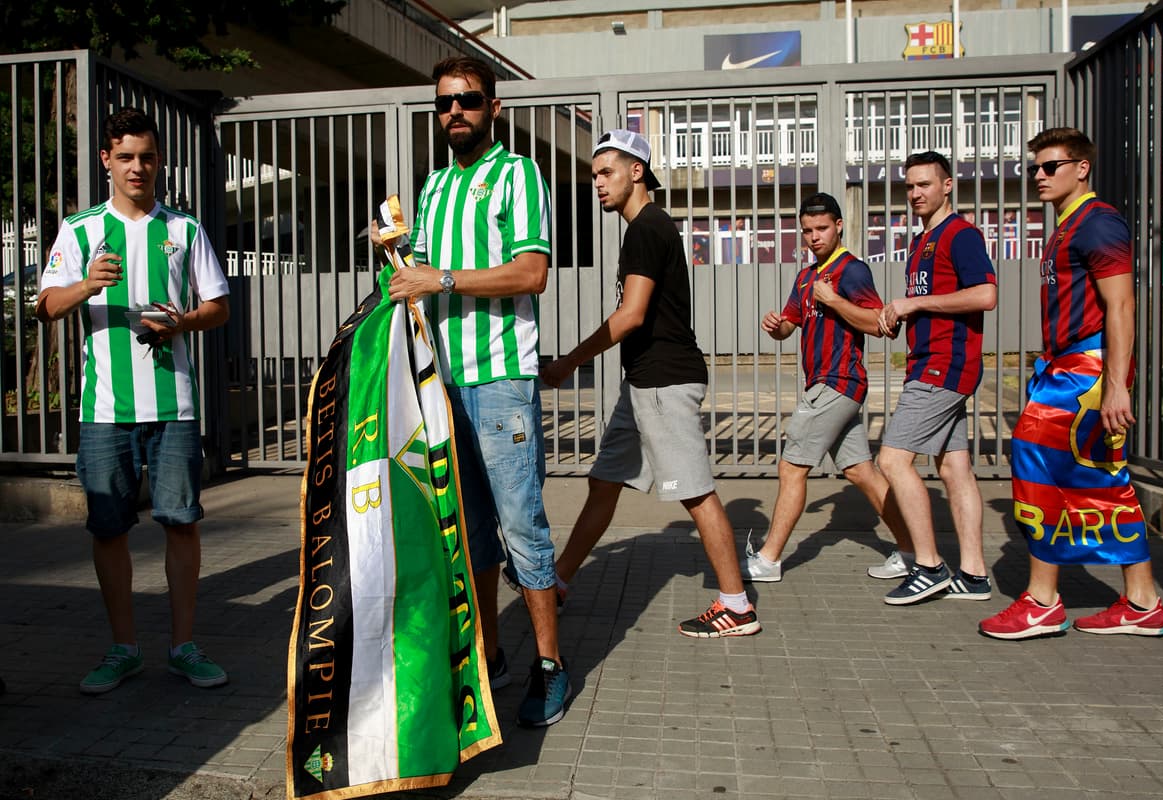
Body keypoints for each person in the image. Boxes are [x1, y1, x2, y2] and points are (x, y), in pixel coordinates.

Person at [386, 56, 569, 726]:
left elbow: (531, 272)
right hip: (442, 384)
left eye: (467, 100)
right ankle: (488, 655)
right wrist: (399, 265)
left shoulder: (517, 174)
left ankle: (549, 664)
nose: (454, 112)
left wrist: (440, 281)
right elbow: (427, 273)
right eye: (444, 103)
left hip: (499, 380)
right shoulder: (432, 187)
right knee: (466, 532)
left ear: (494, 107)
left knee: (522, 525)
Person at [37, 107, 231, 694]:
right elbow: (45, 305)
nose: (137, 168)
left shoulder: (185, 230)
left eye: (147, 157)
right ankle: (123, 648)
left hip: (173, 406)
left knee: (181, 524)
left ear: (159, 160)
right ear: (106, 161)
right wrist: (87, 285)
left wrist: (185, 322)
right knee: (109, 529)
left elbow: (219, 306)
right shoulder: (78, 230)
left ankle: (184, 646)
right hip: (104, 411)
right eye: (125, 157)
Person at [539, 129, 761, 639]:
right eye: (593, 174)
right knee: (604, 481)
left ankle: (736, 605)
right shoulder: (644, 227)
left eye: (605, 172)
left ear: (636, 172)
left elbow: (632, 314)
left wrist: (571, 360)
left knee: (694, 492)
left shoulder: (646, 228)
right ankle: (559, 582)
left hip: (663, 382)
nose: (596, 183)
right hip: (641, 383)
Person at [979, 128, 1163, 640]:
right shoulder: (1068, 226)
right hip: (1069, 365)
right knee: (1104, 477)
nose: (1038, 176)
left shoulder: (1098, 223)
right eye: (1034, 168)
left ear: (1081, 168)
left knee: (1033, 454)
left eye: (1050, 166)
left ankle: (1042, 601)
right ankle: (1143, 601)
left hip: (1085, 370)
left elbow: (1121, 305)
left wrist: (1116, 385)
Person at [743, 192, 913, 583]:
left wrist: (834, 300)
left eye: (821, 229)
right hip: (827, 385)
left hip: (837, 384)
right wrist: (777, 326)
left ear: (839, 226)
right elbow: (789, 324)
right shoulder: (806, 277)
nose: (814, 237)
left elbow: (880, 325)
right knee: (861, 473)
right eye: (807, 231)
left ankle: (768, 560)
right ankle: (911, 551)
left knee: (791, 467)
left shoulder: (852, 271)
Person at [876, 151, 998, 606]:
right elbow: (934, 300)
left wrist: (915, 305)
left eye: (924, 184)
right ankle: (974, 574)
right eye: (910, 186)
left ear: (948, 186)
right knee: (953, 467)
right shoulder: (921, 241)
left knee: (892, 460)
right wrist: (901, 315)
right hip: (932, 360)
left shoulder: (961, 235)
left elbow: (986, 294)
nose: (915, 194)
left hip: (943, 366)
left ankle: (929, 566)